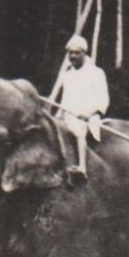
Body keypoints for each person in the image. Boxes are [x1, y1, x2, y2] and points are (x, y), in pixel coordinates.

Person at [49, 34, 109, 182]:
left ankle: (82, 167)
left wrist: (89, 114)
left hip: (88, 116)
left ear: (84, 53)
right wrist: (58, 114)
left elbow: (103, 98)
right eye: (71, 53)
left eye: (77, 53)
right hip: (69, 114)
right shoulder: (67, 74)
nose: (73, 56)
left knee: (78, 128)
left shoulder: (96, 72)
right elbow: (65, 100)